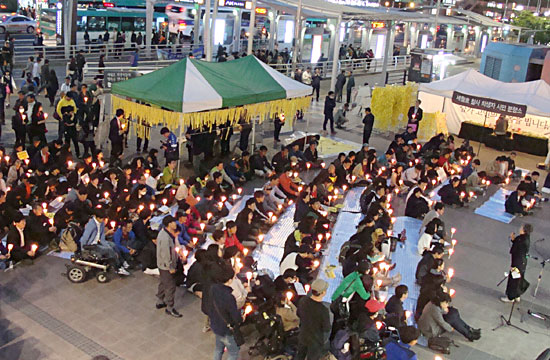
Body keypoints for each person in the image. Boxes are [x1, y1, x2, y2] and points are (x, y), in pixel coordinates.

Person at [209, 264, 242, 360]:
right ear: (230, 280)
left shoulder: (213, 288)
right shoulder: (229, 297)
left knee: (218, 349)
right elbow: (235, 316)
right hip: (226, 329)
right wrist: (241, 318)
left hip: (215, 325)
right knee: (233, 353)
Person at [295, 279, 331, 360]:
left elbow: (298, 314)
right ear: (323, 293)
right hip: (315, 340)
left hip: (303, 335)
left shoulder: (303, 301)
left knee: (299, 356)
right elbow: (327, 328)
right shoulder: (323, 310)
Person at [156, 215, 182, 317]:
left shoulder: (165, 234)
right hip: (166, 266)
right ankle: (170, 307)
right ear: (169, 224)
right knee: (170, 286)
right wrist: (170, 267)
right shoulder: (165, 237)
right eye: (173, 222)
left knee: (163, 282)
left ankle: (159, 300)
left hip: (163, 264)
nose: (175, 224)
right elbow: (166, 254)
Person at [501, 224, 532, 302]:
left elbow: (515, 250)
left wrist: (513, 265)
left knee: (513, 280)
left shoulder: (520, 239)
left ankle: (510, 297)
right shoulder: (525, 238)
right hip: (522, 262)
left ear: (523, 230)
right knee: (519, 279)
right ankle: (517, 295)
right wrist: (513, 239)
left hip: (517, 262)